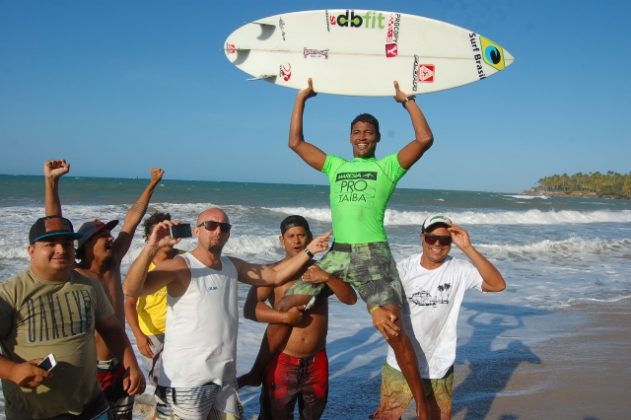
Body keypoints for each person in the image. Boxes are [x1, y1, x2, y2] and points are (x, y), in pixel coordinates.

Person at [275, 78, 434, 418]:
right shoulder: (336, 167)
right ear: (350, 137)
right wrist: (302, 97)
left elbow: (424, 139)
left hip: (373, 254)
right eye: (357, 132)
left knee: (392, 325)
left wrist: (407, 101)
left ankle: (421, 403)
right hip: (338, 252)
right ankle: (279, 369)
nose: (362, 137)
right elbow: (295, 142)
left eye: (368, 132)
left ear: (376, 137)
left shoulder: (387, 167)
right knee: (288, 303)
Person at [122, 207, 331, 420]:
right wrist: (150, 247)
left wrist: (310, 250)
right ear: (197, 231)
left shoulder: (232, 265)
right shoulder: (181, 266)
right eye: (210, 225)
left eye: (224, 227)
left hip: (224, 380)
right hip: (185, 383)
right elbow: (131, 289)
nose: (217, 231)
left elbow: (275, 275)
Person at [0, 215, 144, 419]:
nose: (60, 250)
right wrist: (13, 371)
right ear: (31, 250)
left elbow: (111, 329)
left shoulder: (89, 285)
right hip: (35, 413)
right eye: (50, 244)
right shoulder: (10, 294)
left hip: (92, 406)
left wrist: (131, 365)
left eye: (67, 244)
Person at [44, 159, 157, 418]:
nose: (111, 238)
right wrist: (52, 183)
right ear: (85, 245)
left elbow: (132, 220)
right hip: (91, 370)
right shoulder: (76, 274)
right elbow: (55, 229)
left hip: (122, 365)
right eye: (103, 235)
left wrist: (151, 185)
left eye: (110, 234)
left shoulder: (114, 264)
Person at [372, 214, 506, 420]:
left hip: (439, 364)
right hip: (400, 363)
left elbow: (497, 285)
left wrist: (467, 248)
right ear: (421, 237)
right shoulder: (404, 269)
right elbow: (380, 298)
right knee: (387, 416)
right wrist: (376, 309)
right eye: (431, 238)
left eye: (444, 240)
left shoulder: (460, 269)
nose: (437, 244)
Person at [239, 215, 357, 419]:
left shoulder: (321, 270)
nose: (296, 240)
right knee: (274, 415)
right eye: (291, 236)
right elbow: (251, 310)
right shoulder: (273, 273)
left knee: (312, 415)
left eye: (301, 235)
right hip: (283, 359)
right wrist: (285, 318)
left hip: (316, 359)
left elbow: (350, 299)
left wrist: (327, 278)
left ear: (310, 238)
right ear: (281, 240)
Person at [124, 212, 182, 416]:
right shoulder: (142, 266)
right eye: (160, 232)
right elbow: (129, 303)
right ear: (150, 238)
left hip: (182, 330)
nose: (166, 236)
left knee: (182, 380)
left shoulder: (186, 259)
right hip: (154, 334)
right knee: (161, 381)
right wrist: (139, 335)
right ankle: (158, 415)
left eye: (169, 231)